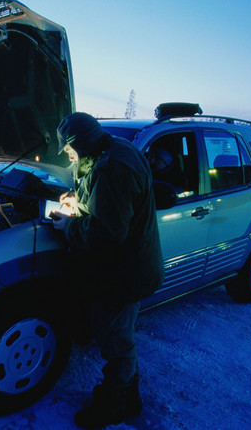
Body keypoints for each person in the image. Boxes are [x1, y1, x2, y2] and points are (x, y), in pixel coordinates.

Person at [51, 112, 164, 429]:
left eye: (69, 151)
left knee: (116, 340)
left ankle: (118, 402)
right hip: (124, 268)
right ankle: (127, 392)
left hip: (123, 273)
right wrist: (77, 197)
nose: (68, 157)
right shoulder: (110, 151)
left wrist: (68, 225)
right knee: (119, 335)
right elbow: (102, 198)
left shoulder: (113, 166)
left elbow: (107, 232)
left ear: (79, 144)